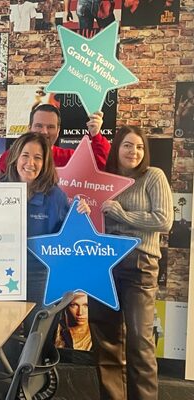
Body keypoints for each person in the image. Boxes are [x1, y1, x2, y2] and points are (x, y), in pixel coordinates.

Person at [89, 126, 173, 400]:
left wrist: (122, 214)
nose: (133, 151)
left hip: (140, 266)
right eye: (127, 145)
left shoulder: (153, 176)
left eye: (139, 146)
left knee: (140, 341)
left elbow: (164, 220)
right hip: (104, 265)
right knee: (106, 340)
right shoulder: (103, 179)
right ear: (117, 148)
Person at [0, 132, 90, 324]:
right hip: (2, 272)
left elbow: (72, 238)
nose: (30, 163)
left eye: (38, 157)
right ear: (15, 158)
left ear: (45, 162)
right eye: (25, 155)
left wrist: (81, 216)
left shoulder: (55, 196)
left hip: (40, 275)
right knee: (3, 332)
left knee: (38, 331)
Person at [0, 104, 108, 180]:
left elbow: (101, 167)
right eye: (39, 126)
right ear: (29, 128)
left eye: (50, 127)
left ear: (58, 130)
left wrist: (96, 134)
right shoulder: (10, 157)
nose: (44, 132)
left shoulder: (69, 158)